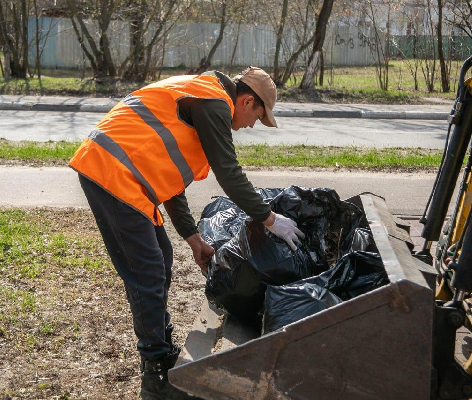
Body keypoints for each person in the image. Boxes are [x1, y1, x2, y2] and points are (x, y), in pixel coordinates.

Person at [69, 66, 305, 399]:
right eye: (257, 116)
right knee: (148, 271)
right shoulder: (214, 102)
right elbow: (229, 172)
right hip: (112, 172)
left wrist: (193, 239)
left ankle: (161, 352)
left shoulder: (203, 97)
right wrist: (270, 219)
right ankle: (155, 375)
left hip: (127, 177)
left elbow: (173, 183)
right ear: (247, 100)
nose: (252, 125)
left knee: (160, 259)